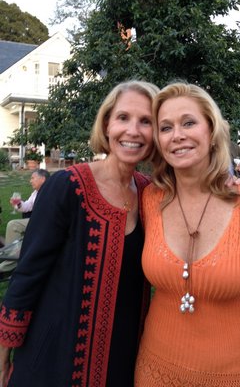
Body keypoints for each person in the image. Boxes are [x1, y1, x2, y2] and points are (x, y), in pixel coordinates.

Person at [0, 79, 159, 387]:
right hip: (54, 358)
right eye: (123, 117)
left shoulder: (149, 193)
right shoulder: (67, 186)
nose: (133, 130)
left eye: (146, 121)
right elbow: (29, 272)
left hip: (122, 357)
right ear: (107, 124)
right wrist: (4, 350)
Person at [134, 82, 240, 387]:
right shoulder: (150, 199)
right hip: (154, 370)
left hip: (233, 375)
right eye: (165, 127)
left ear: (211, 131)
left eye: (189, 123)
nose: (177, 135)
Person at [5, 169, 50, 245]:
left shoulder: (52, 191)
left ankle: (12, 255)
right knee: (13, 224)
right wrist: (19, 203)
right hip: (37, 220)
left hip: (47, 222)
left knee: (13, 225)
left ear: (42, 179)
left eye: (33, 178)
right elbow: (28, 206)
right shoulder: (35, 193)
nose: (30, 181)